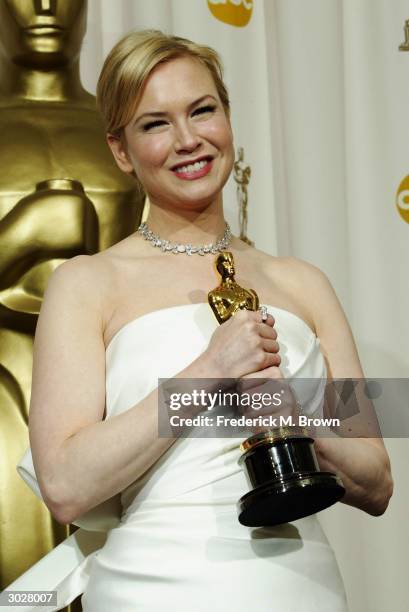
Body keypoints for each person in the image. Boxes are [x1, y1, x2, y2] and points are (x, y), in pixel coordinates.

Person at [11, 30, 392, 612]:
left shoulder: (303, 283)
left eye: (202, 110)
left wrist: (296, 417)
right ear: (121, 151)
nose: (188, 140)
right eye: (156, 123)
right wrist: (206, 376)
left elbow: (376, 482)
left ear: (229, 118)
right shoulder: (87, 285)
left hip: (300, 586)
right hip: (152, 586)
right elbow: (65, 487)